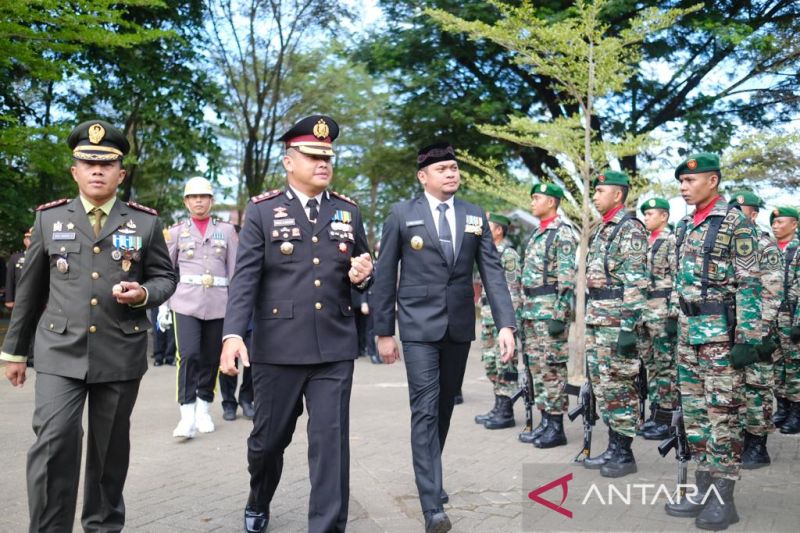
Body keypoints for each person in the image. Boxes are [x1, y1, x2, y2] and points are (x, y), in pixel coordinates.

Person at [0, 119, 176, 532]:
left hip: (120, 350)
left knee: (108, 451)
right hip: (59, 351)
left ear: (121, 172)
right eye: (87, 162)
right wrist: (15, 353)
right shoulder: (49, 220)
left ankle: (101, 526)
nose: (97, 170)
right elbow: (28, 293)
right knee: (54, 441)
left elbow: (166, 277)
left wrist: (145, 293)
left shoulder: (145, 223)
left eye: (107, 164)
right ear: (74, 170)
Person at [219, 115, 373, 533]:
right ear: (289, 161)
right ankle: (259, 496)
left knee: (330, 445)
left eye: (328, 156)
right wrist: (233, 334)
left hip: (334, 349)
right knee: (268, 443)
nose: (323, 163)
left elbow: (362, 271)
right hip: (278, 347)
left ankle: (325, 527)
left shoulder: (347, 211)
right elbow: (245, 279)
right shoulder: (262, 211)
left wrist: (364, 276)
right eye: (313, 156)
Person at [371, 141, 516, 533]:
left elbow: (492, 270)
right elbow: (384, 276)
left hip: (457, 327)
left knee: (446, 408)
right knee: (424, 407)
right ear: (424, 176)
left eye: (454, 167)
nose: (451, 174)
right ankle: (431, 504)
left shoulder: (473, 215)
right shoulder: (402, 214)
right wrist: (384, 332)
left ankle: (430, 473)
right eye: (442, 169)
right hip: (417, 327)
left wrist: (506, 323)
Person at [664, 153, 761, 530]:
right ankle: (703, 492)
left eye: (690, 181)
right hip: (690, 335)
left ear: (713, 181)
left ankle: (725, 500)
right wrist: (676, 318)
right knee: (697, 418)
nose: (684, 188)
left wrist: (747, 338)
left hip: (721, 336)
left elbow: (750, 284)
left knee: (724, 417)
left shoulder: (736, 223)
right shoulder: (686, 224)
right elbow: (679, 279)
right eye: (682, 183)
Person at [583, 170, 648, 478]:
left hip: (616, 322)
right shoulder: (603, 229)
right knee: (604, 386)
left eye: (600, 190)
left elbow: (636, 282)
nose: (594, 195)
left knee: (620, 386)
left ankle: (624, 453)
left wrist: (628, 327)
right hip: (599, 318)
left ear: (617, 195)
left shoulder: (630, 228)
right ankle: (612, 447)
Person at [166, 177, 239, 436]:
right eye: (193, 196)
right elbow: (165, 270)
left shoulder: (227, 231)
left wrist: (239, 307)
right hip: (186, 302)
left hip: (219, 303)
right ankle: (186, 413)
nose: (198, 200)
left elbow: (236, 271)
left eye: (203, 196)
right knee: (188, 355)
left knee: (210, 358)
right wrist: (164, 305)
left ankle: (204, 408)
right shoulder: (175, 232)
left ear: (211, 200)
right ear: (186, 201)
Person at [518, 183, 578, 448]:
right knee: (537, 368)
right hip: (532, 310)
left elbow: (567, 279)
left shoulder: (562, 233)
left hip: (549, 310)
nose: (532, 202)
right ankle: (544, 420)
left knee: (552, 368)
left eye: (537, 198)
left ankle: (556, 426)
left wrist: (560, 314)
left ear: (552, 202)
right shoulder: (536, 233)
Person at [728, 191, 783, 465]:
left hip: (758, 330)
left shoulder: (765, 245)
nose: (734, 216)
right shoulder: (728, 242)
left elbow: (772, 291)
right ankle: (740, 439)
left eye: (741, 211)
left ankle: (758, 446)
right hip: (732, 329)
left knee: (758, 386)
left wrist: (759, 330)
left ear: (753, 214)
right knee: (736, 388)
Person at [636, 198, 678, 441]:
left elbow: (677, 278)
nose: (646, 218)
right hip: (644, 314)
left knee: (666, 368)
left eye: (650, 214)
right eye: (645, 214)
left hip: (661, 313)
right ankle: (656, 413)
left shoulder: (670, 242)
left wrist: (673, 315)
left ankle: (667, 418)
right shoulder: (643, 243)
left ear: (664, 216)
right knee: (650, 366)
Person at [475, 213, 522, 430]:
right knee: (490, 362)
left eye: (488, 226)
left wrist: (509, 323)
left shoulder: (508, 254)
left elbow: (512, 289)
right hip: (487, 316)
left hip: (501, 320)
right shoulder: (487, 252)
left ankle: (506, 410)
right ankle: (497, 405)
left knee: (504, 362)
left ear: (498, 230)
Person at [771, 206, 800, 434]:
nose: (775, 225)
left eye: (781, 222)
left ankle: (796, 412)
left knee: (794, 367)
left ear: (794, 224)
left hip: (791, 317)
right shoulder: (769, 249)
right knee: (777, 366)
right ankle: (781, 408)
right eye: (774, 222)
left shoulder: (797, 250)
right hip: (772, 318)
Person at [4, 226, 32, 309]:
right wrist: (9, 299)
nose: (31, 241)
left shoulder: (43, 257)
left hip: (38, 299)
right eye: (29, 238)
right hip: (19, 299)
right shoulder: (15, 258)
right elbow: (10, 279)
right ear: (25, 241)